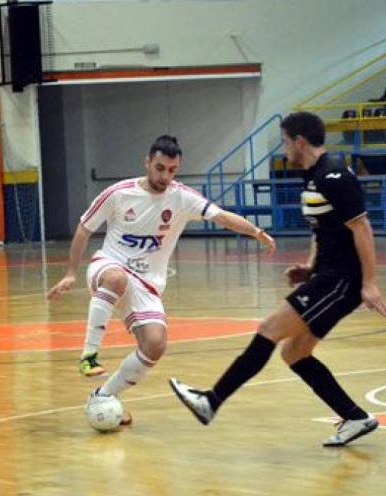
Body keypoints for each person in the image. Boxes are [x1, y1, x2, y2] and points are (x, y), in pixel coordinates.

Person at [168, 111, 386, 447]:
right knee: (294, 354)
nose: (284, 149)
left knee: (268, 330)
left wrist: (369, 283)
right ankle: (356, 417)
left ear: (300, 141)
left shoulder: (334, 174)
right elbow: (324, 230)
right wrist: (310, 267)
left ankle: (210, 402)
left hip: (341, 281)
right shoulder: (314, 175)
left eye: (286, 141)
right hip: (327, 276)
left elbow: (361, 227)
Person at [46, 135, 275, 424]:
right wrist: (70, 273)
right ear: (147, 162)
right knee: (116, 279)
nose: (165, 176)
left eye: (172, 170)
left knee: (155, 345)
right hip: (109, 265)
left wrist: (256, 231)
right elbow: (83, 228)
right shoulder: (119, 193)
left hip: (147, 283)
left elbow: (221, 216)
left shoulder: (181, 197)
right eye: (160, 168)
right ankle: (89, 355)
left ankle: (103, 395)